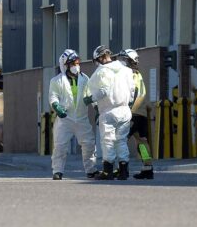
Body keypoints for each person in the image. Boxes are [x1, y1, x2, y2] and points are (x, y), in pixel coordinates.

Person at [84, 45, 135, 180]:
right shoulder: (126, 70)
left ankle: (108, 171)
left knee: (108, 141)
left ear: (99, 58)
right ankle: (124, 171)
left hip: (109, 111)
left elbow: (103, 91)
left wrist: (90, 99)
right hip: (125, 110)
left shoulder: (101, 72)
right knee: (121, 141)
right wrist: (128, 105)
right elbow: (132, 92)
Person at [49, 49, 98, 180]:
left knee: (89, 144)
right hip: (65, 118)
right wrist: (57, 107)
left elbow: (91, 95)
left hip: (82, 117)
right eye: (73, 63)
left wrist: (97, 108)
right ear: (65, 65)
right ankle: (57, 171)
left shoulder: (85, 78)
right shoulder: (56, 81)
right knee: (60, 145)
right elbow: (53, 97)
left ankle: (91, 169)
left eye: (77, 63)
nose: (76, 66)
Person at [118, 49, 154, 179]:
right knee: (142, 142)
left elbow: (130, 93)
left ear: (128, 60)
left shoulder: (128, 74)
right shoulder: (138, 74)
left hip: (131, 112)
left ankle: (122, 168)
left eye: (122, 59)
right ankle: (147, 168)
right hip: (142, 113)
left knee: (120, 141)